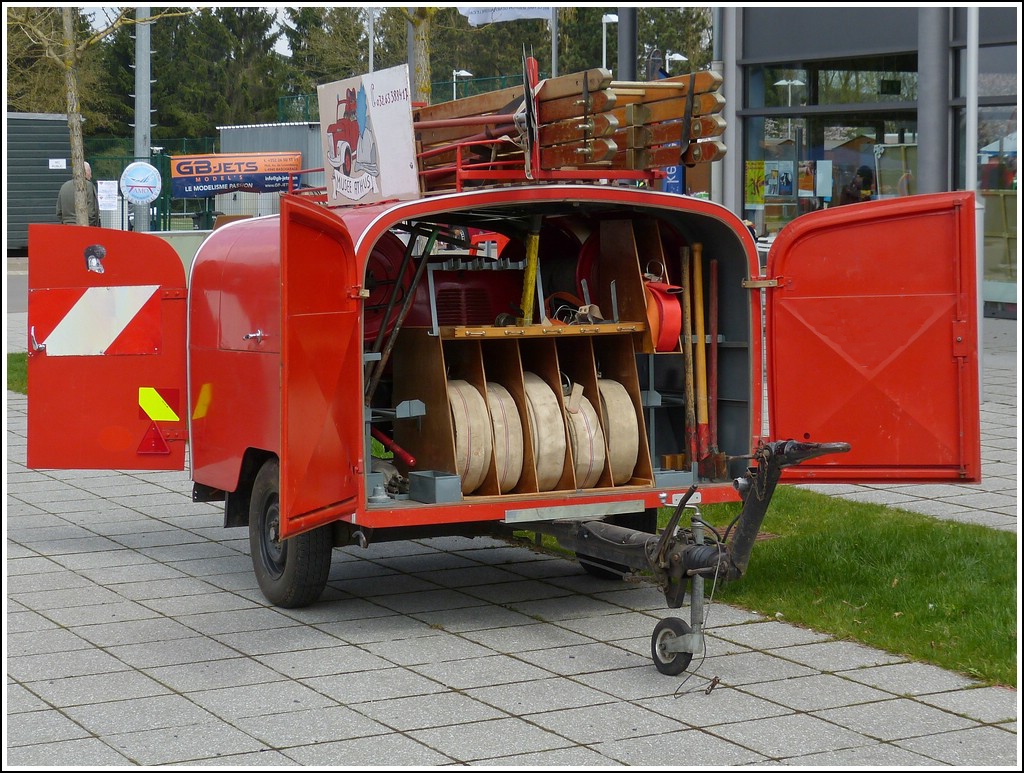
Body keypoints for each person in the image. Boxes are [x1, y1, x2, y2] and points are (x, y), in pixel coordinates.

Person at [56, 161, 101, 226]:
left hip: (67, 227)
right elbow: (92, 212)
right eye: (89, 172)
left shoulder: (64, 186)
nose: (91, 176)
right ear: (85, 172)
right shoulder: (88, 186)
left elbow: (59, 212)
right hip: (84, 227)